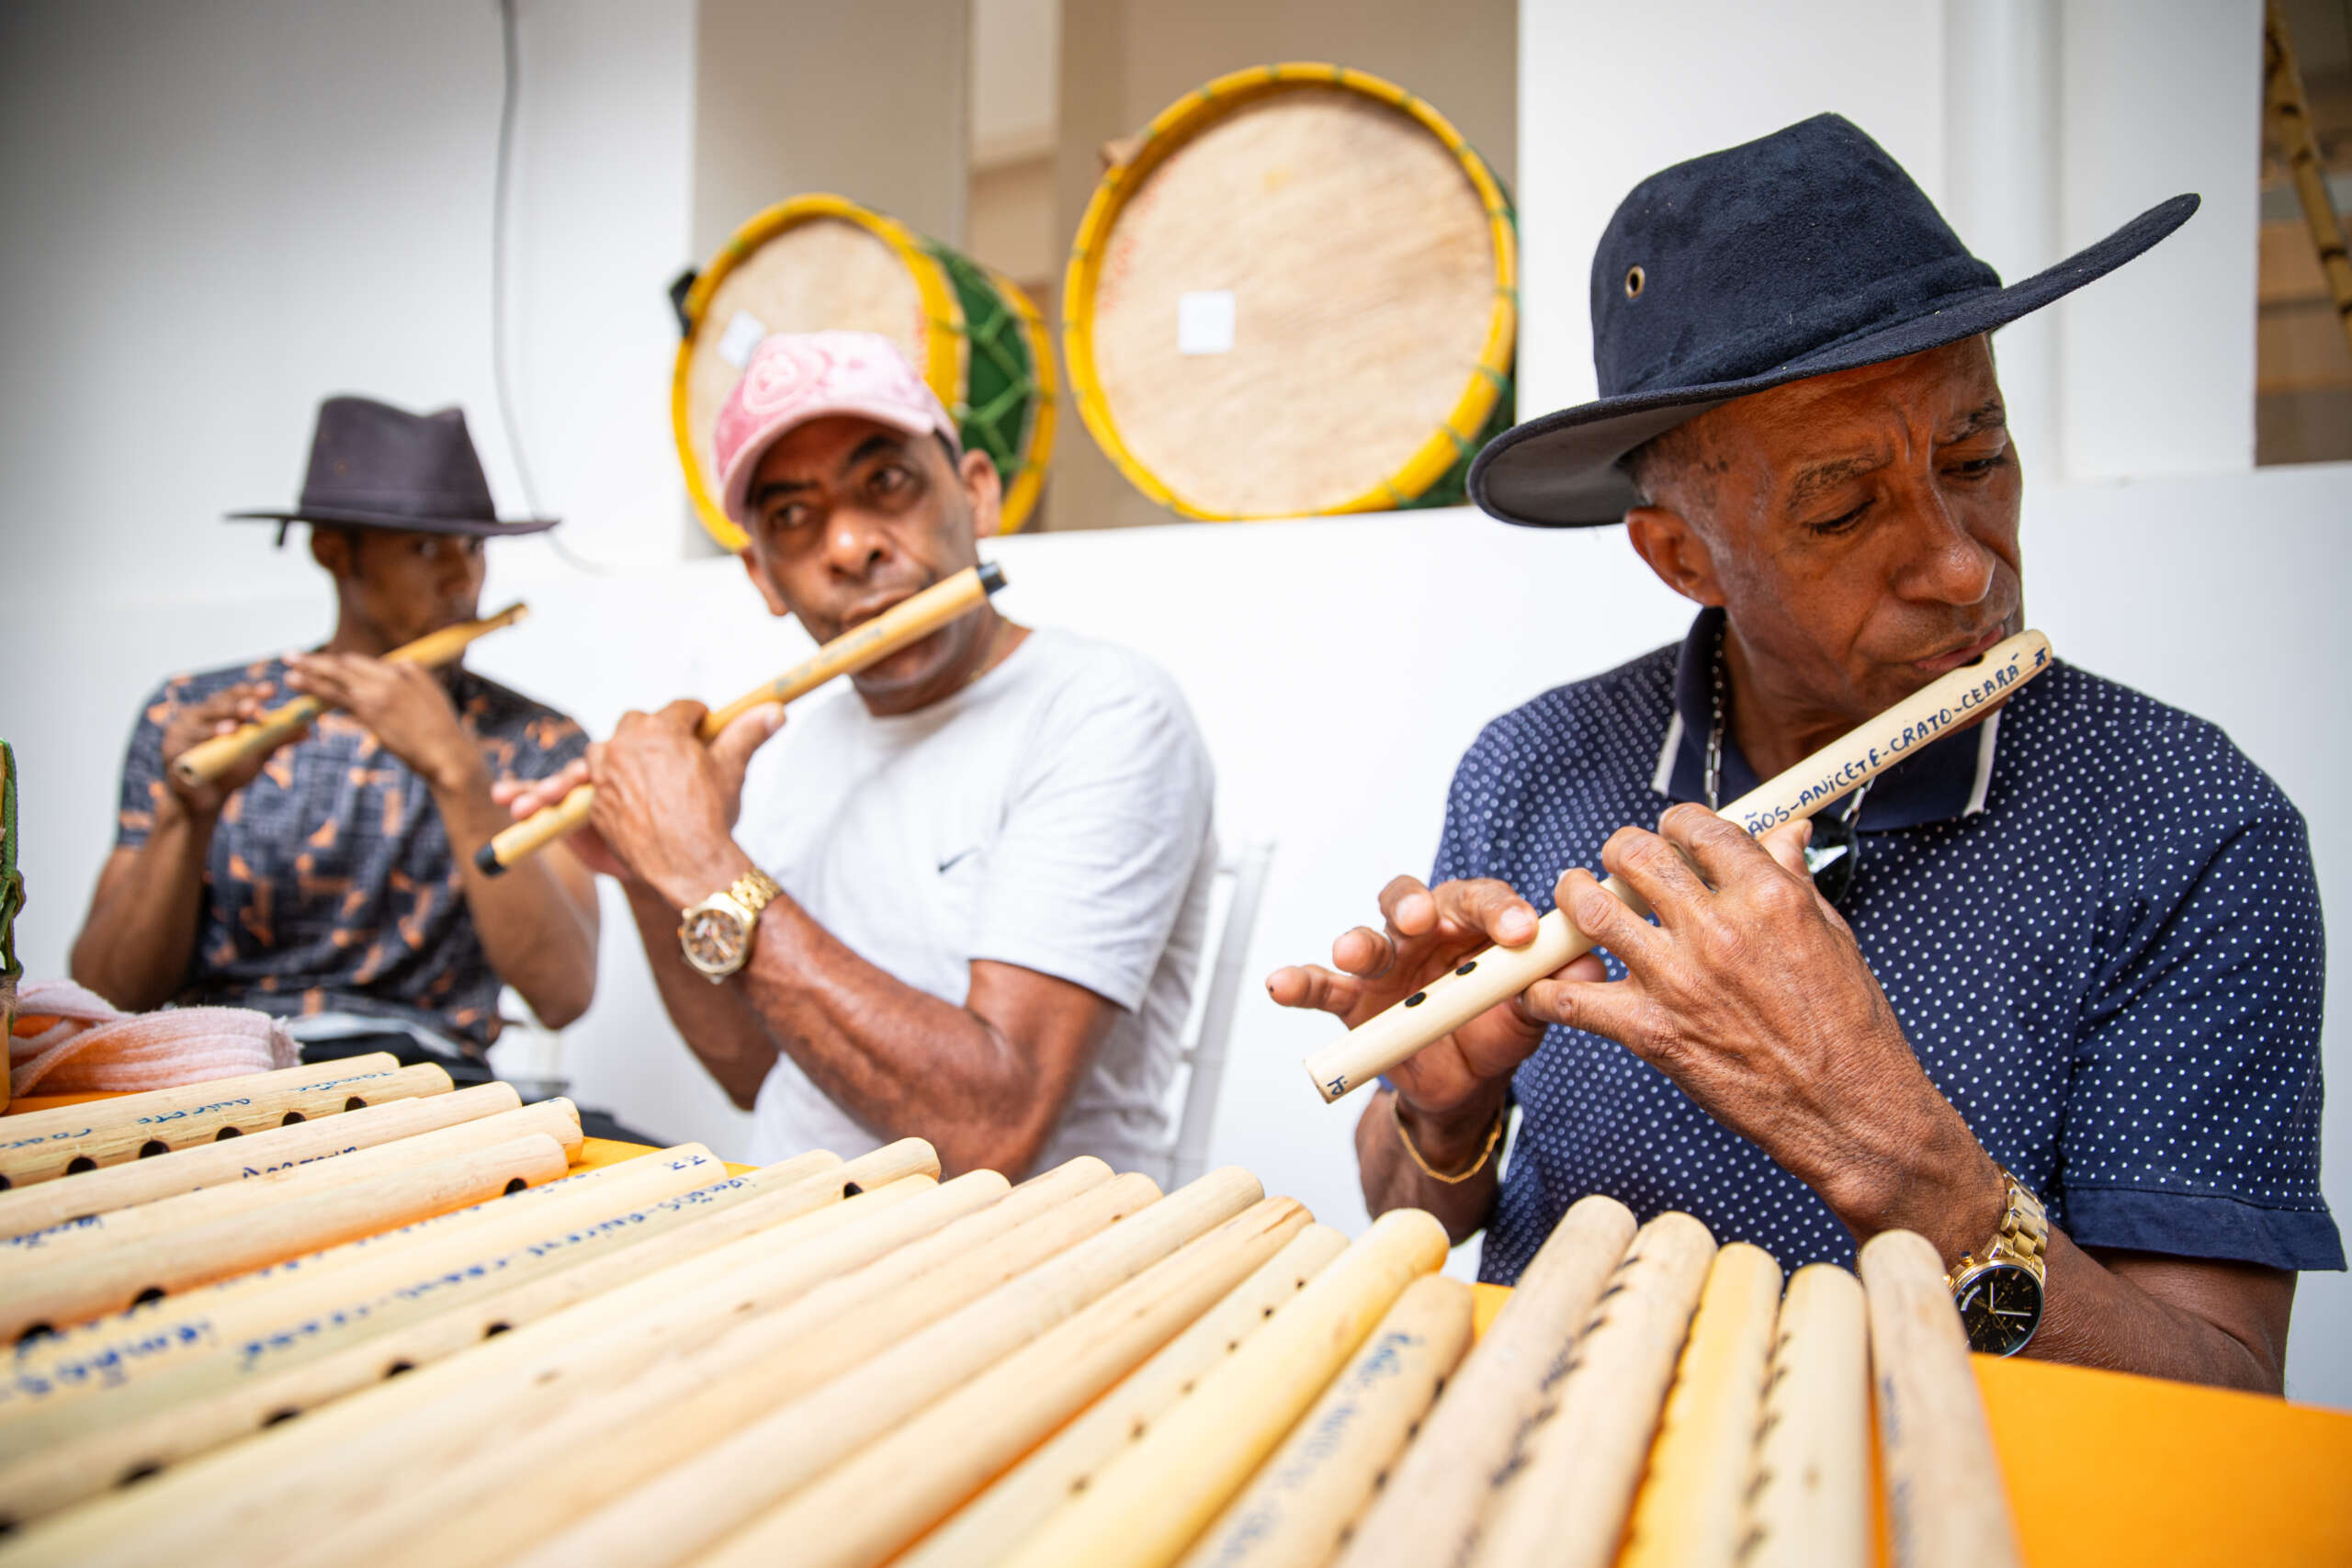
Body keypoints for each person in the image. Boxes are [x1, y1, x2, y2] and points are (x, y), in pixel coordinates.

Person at [1269, 114, 2337, 1392]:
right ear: (1681, 556)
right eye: (1841, 506)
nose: (1962, 562)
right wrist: (1442, 1109)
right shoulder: (1535, 762)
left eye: (1978, 455)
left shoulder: (2190, 823)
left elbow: (2216, 1413)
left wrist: (1886, 1138)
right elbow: (1426, 1212)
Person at [503, 331, 1216, 1181]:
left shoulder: (1106, 711)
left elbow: (989, 1129)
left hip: (1019, 1259)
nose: (849, 547)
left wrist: (701, 861)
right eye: (793, 517)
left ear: (977, 494)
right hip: (798, 1226)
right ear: (762, 575)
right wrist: (653, 876)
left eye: (887, 482)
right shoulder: (797, 739)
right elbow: (752, 1069)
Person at [72, 397, 604, 1108]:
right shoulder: (192, 714)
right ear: (332, 549)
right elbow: (108, 994)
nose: (463, 578)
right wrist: (184, 816)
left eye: (473, 547)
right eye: (425, 548)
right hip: (213, 1078)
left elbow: (565, 993)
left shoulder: (533, 739)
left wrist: (459, 775)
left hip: (429, 1089)